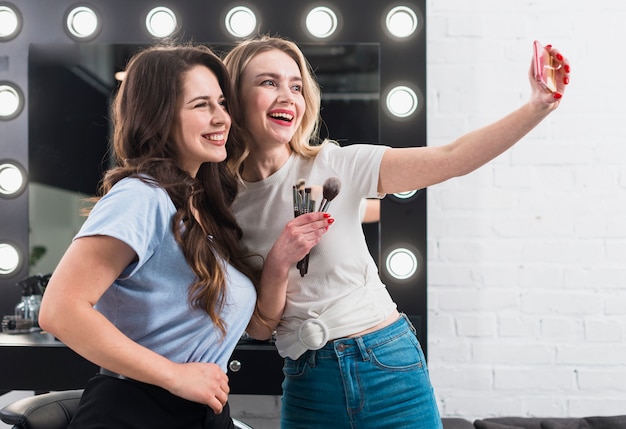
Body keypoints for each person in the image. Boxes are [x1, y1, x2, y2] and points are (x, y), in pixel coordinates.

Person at [222, 35, 570, 428]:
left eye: (296, 85)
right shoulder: (224, 206)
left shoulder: (338, 164)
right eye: (269, 82)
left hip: (386, 364)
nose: (288, 95)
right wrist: (279, 262)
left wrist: (537, 106)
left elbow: (451, 158)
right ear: (232, 97)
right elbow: (260, 326)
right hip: (306, 381)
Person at [38, 43, 331, 429]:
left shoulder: (201, 209)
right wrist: (174, 375)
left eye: (223, 103)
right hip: (133, 414)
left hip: (200, 414)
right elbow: (59, 310)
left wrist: (279, 259)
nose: (221, 118)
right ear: (159, 117)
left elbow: (259, 327)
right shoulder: (140, 197)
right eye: (201, 105)